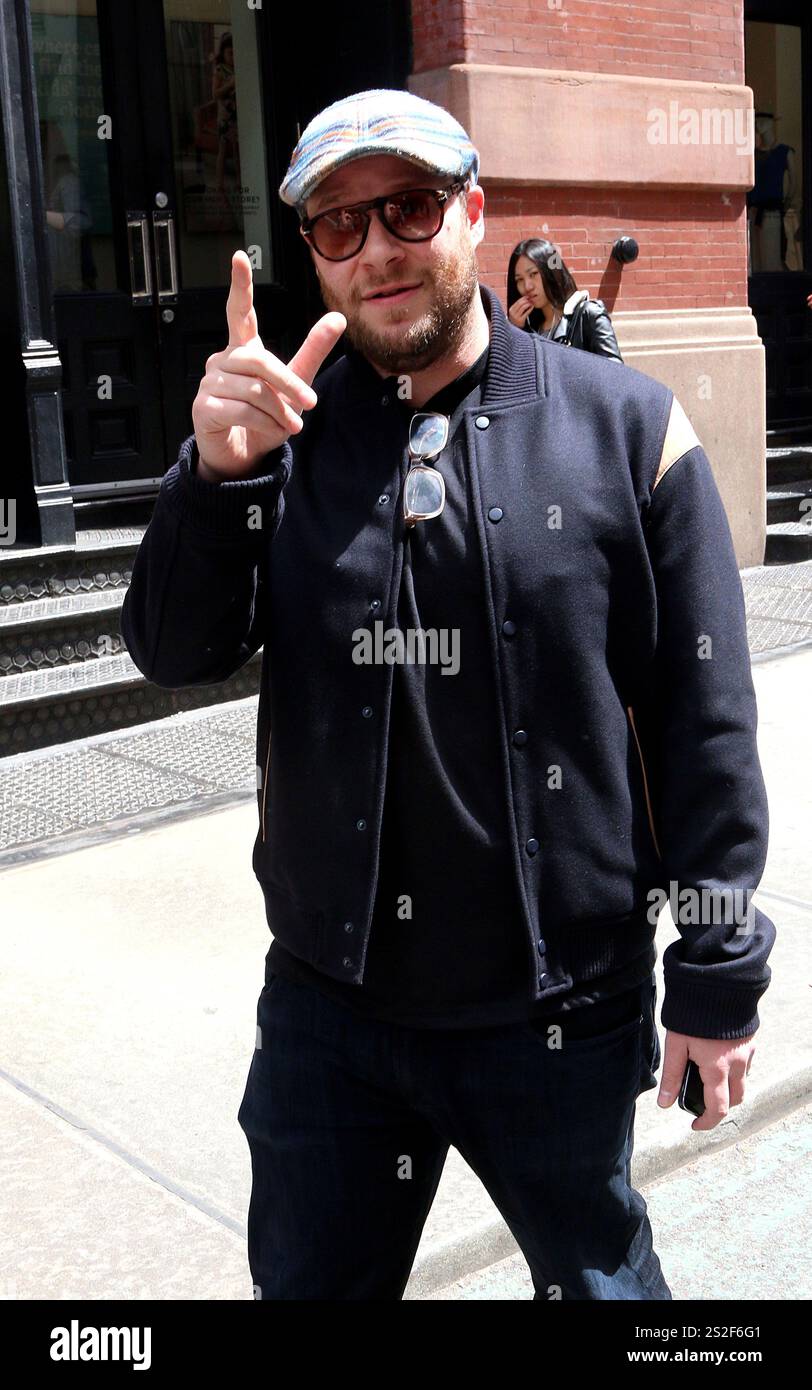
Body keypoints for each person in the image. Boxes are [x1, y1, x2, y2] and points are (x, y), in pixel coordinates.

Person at [121, 87, 775, 1301]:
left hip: (556, 1010)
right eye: (337, 223)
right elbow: (170, 649)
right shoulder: (279, 439)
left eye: (409, 206)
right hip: (332, 1014)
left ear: (472, 212)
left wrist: (717, 964)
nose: (376, 247)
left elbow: (703, 719)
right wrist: (210, 478)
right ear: (312, 252)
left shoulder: (626, 429)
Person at [507, 237, 623, 360]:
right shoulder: (531, 329)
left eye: (533, 274)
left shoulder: (588, 315)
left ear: (552, 271)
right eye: (519, 279)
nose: (527, 286)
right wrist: (515, 331)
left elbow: (616, 373)